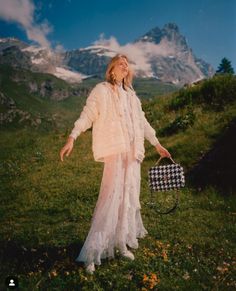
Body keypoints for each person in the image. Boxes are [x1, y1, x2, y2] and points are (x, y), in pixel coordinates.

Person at [60, 54, 171, 274]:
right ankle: (93, 252)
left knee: (128, 199)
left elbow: (142, 122)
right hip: (115, 152)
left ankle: (120, 244)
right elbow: (87, 115)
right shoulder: (101, 90)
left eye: (127, 64)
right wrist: (72, 137)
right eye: (121, 64)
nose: (125, 67)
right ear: (112, 69)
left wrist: (157, 144)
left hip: (133, 155)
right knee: (110, 198)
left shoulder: (131, 95)